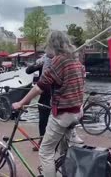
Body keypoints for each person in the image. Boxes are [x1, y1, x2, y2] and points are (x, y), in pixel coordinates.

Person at [13, 31, 85, 177]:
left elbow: (40, 86)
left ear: (52, 44)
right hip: (77, 110)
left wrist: (21, 102)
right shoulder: (76, 60)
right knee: (64, 151)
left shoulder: (59, 60)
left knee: (45, 151)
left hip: (64, 112)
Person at [26, 54, 52, 151]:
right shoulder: (44, 60)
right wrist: (38, 63)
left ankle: (45, 143)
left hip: (52, 94)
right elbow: (28, 71)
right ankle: (42, 141)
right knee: (43, 120)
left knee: (47, 120)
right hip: (47, 95)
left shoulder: (58, 60)